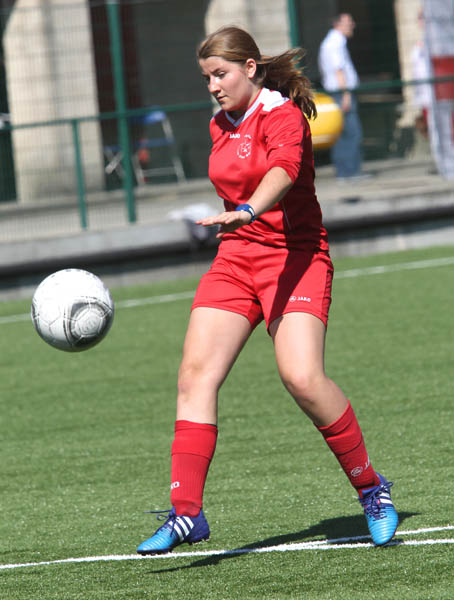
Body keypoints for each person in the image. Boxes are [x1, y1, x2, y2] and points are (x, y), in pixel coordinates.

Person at [137, 25, 398, 555]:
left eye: (220, 74)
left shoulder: (283, 115)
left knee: (302, 377)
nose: (213, 86)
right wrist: (239, 221)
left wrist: (249, 209)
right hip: (236, 259)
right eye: (207, 78)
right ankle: (187, 514)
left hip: (295, 258)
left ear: (250, 68)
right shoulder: (219, 124)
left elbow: (284, 170)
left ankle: (372, 490)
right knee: (194, 376)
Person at [318, 14, 366, 181]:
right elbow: (338, 69)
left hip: (341, 92)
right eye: (348, 22)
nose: (352, 25)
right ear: (337, 24)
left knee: (346, 132)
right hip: (341, 93)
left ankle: (348, 171)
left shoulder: (335, 42)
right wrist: (346, 94)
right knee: (349, 133)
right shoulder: (335, 43)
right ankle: (348, 172)